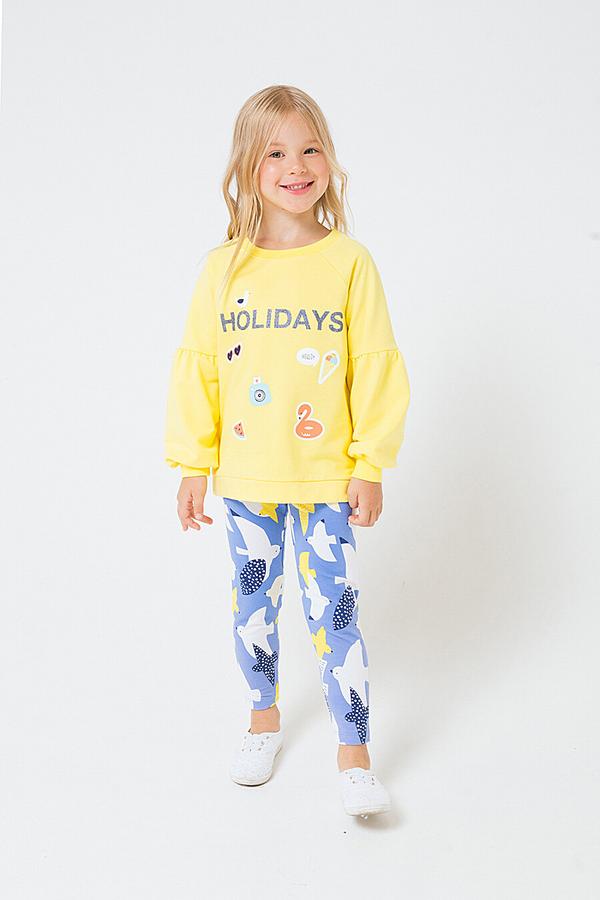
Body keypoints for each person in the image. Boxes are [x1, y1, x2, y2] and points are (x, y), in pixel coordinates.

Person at [164, 85, 410, 817]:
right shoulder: (224, 268)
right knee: (253, 610)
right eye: (275, 152)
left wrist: (369, 463)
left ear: (329, 160)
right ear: (248, 166)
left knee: (336, 617)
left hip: (327, 481)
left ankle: (355, 756)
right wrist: (193, 463)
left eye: (310, 149)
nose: (296, 166)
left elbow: (375, 365)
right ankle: (262, 722)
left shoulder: (349, 263)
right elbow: (201, 368)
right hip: (245, 483)